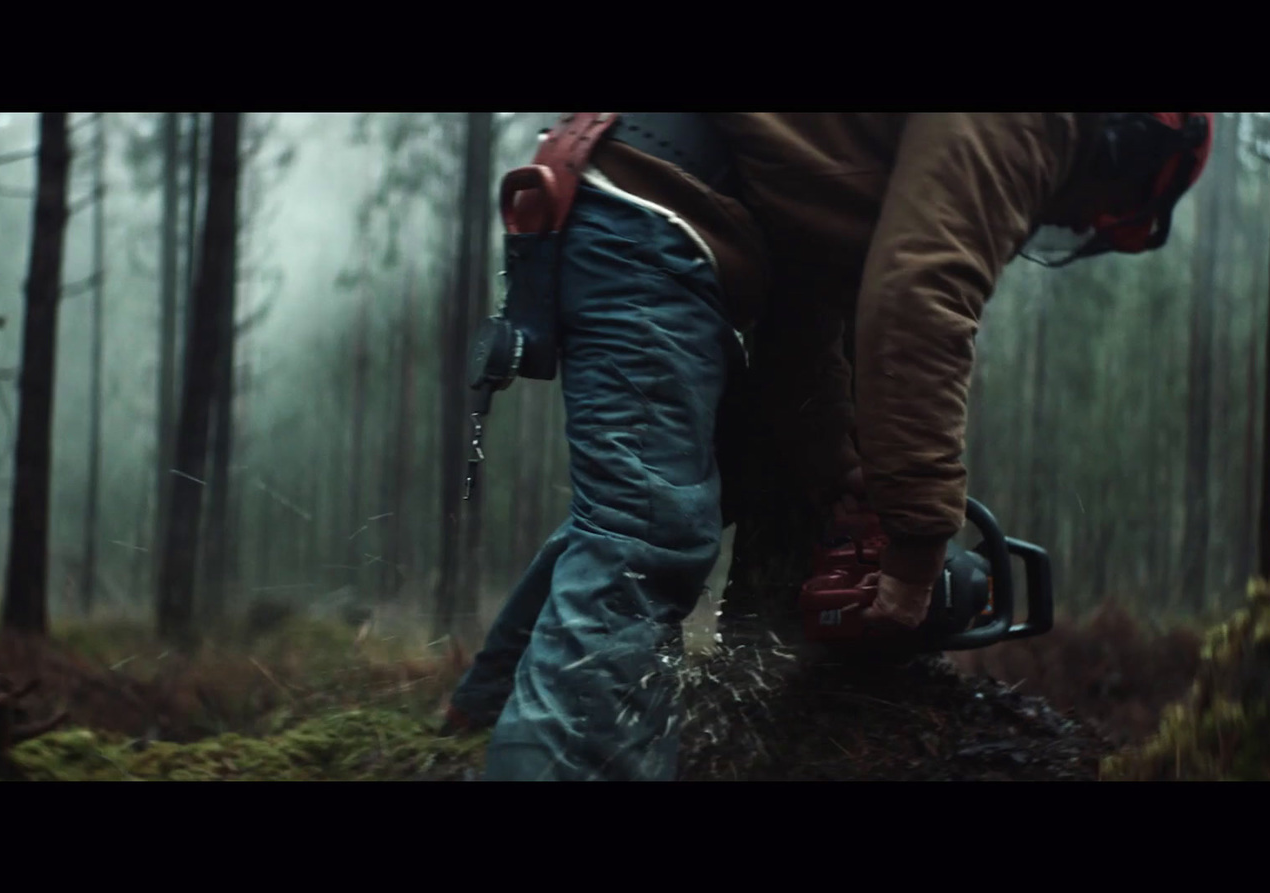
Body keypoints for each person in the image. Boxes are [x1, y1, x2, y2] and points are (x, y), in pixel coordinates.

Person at [441, 112, 1214, 781]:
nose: (1072, 220)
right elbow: (920, 298)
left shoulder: (844, 163)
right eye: (1092, 213)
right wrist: (915, 543)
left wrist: (833, 464)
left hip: (654, 209)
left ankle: (490, 700)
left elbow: (805, 313)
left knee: (654, 503)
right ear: (1124, 149)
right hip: (651, 211)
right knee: (645, 536)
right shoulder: (1030, 122)